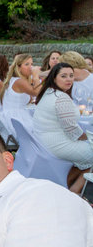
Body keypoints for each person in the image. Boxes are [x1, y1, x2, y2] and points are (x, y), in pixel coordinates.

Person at [33, 62, 93, 193]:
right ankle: (75, 191)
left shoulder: (49, 92)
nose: (69, 79)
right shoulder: (61, 98)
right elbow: (73, 132)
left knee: (86, 156)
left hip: (45, 141)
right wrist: (89, 138)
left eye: (71, 76)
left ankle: (64, 186)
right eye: (64, 76)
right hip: (57, 144)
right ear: (54, 78)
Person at [1, 53, 41, 135]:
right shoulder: (19, 82)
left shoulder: (14, 80)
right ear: (18, 68)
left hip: (12, 117)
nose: (30, 67)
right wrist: (36, 77)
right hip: (16, 120)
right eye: (27, 64)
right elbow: (37, 93)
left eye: (31, 64)